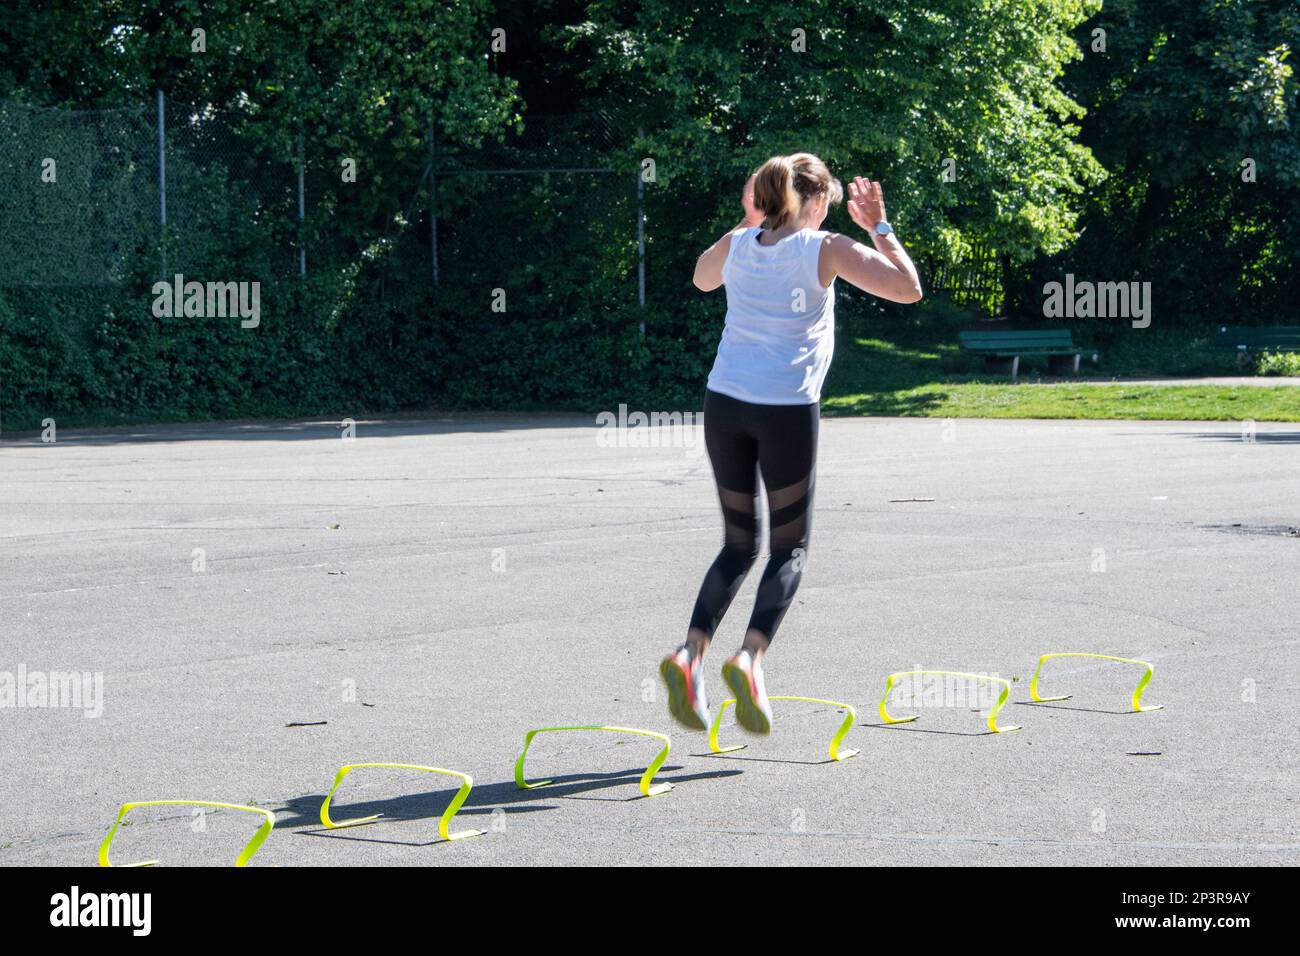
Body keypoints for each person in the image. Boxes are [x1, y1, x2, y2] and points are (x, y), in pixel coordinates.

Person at [660, 152, 923, 734]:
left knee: (737, 544)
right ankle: (749, 659)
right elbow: (908, 289)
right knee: (789, 548)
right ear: (820, 201)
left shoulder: (741, 243)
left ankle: (690, 654)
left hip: (724, 404)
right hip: (784, 412)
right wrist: (879, 226)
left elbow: (701, 278)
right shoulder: (823, 248)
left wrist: (749, 219)